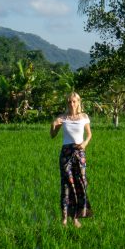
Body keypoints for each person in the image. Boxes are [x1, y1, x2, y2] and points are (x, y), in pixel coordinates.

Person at [50, 92, 92, 228]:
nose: (71, 104)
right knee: (67, 184)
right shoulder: (63, 118)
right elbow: (53, 135)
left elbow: (89, 134)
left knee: (80, 184)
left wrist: (85, 143)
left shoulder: (84, 117)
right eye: (69, 102)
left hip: (80, 153)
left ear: (78, 102)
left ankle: (75, 218)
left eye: (74, 101)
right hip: (66, 154)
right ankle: (64, 219)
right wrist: (53, 124)